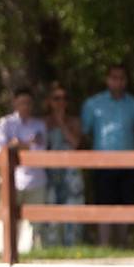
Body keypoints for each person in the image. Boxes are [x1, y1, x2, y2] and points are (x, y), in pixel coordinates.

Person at [80, 63, 134, 247]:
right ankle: (104, 244)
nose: (117, 82)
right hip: (102, 163)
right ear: (107, 80)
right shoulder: (93, 104)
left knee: (126, 203)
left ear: (126, 81)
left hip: (128, 162)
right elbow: (84, 132)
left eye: (121, 78)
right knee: (104, 203)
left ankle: (122, 244)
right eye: (114, 78)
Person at [0, 88, 48, 255]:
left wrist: (16, 144)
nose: (25, 106)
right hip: (11, 179)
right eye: (22, 102)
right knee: (7, 219)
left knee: (34, 222)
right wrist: (26, 144)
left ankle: (31, 253)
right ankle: (4, 253)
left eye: (28, 103)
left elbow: (41, 152)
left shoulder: (39, 125)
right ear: (15, 103)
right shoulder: (6, 123)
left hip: (35, 179)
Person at [39, 82, 84, 248]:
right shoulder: (42, 123)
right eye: (56, 98)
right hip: (49, 173)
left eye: (64, 98)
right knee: (51, 211)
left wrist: (61, 122)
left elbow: (75, 142)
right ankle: (52, 248)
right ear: (49, 101)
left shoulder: (74, 122)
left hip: (71, 174)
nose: (61, 102)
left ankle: (73, 247)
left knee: (72, 209)